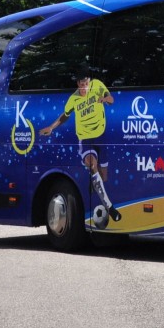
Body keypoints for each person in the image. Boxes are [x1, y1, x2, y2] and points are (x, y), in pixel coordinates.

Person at [39, 67, 122, 223]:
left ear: (89, 81)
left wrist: (105, 99)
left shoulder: (97, 85)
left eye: (85, 83)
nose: (83, 87)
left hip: (101, 136)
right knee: (91, 164)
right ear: (77, 84)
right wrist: (51, 127)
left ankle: (95, 180)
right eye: (80, 84)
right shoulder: (73, 99)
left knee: (104, 176)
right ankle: (110, 207)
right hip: (85, 139)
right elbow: (65, 115)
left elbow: (111, 99)